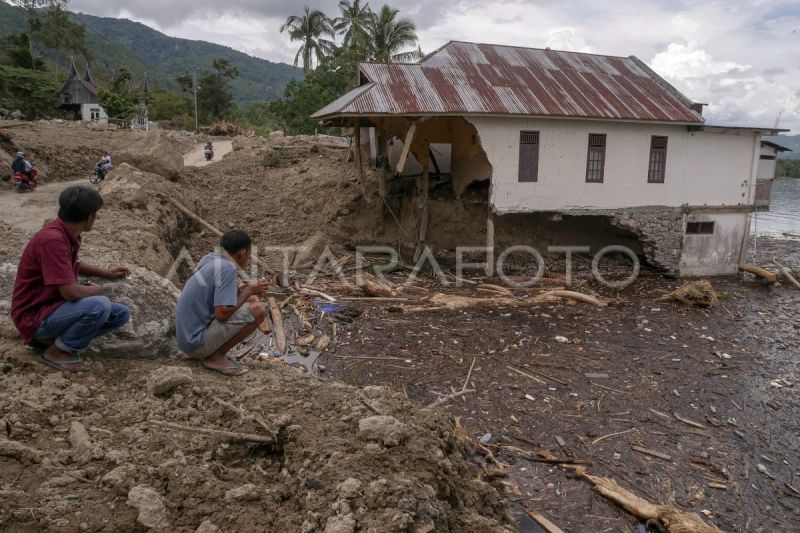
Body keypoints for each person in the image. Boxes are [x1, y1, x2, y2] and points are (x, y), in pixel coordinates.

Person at [10, 186, 131, 372]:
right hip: (34, 316)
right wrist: (98, 290)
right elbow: (70, 293)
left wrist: (106, 273)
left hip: (51, 308)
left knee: (120, 314)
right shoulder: (53, 240)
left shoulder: (65, 233)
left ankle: (57, 341)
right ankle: (56, 351)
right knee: (100, 305)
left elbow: (72, 263)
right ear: (89, 217)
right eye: (96, 214)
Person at [175, 230, 267, 376]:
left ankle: (214, 352)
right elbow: (222, 314)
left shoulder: (210, 258)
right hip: (195, 344)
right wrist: (249, 290)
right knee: (258, 310)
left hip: (186, 338)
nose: (248, 259)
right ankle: (215, 357)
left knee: (250, 300)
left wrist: (244, 290)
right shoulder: (227, 268)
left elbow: (217, 292)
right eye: (249, 255)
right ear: (242, 253)